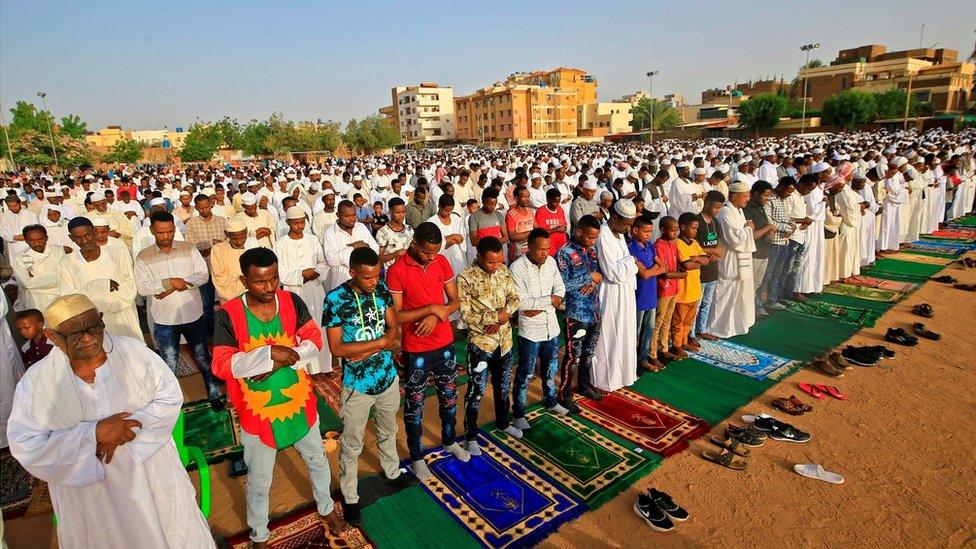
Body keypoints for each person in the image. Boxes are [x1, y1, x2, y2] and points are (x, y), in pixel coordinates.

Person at [7, 294, 215, 549]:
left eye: (93, 327)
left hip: (152, 479)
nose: (88, 337)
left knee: (171, 534)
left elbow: (170, 397)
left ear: (102, 320)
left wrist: (128, 430)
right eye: (75, 333)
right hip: (90, 499)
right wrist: (93, 434)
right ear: (52, 336)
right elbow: (26, 444)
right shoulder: (37, 384)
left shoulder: (136, 355)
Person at [212, 248, 349, 546]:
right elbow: (221, 364)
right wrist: (268, 352)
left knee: (317, 460)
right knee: (260, 480)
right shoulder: (229, 314)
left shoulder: (291, 301)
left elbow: (313, 339)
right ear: (244, 280)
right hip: (257, 413)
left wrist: (279, 359)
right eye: (260, 281)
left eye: (274, 278)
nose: (269, 287)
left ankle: (327, 509)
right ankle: (259, 534)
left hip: (299, 402)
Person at [323, 247, 415, 525]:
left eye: (377, 275)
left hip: (387, 378)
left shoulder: (382, 290)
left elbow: (393, 328)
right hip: (357, 386)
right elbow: (338, 348)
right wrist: (379, 344)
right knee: (352, 444)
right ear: (352, 273)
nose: (374, 281)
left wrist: (367, 348)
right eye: (367, 277)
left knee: (389, 430)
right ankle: (350, 496)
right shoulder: (335, 300)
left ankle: (392, 471)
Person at [387, 222, 470, 479]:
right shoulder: (397, 270)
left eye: (435, 252)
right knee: (415, 404)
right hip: (416, 348)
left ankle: (449, 441)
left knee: (449, 397)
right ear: (414, 244)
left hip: (445, 343)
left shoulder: (442, 262)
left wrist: (439, 313)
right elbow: (398, 316)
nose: (431, 257)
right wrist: (431, 310)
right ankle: (417, 456)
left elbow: (454, 300)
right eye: (426, 252)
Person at [135, 211, 222, 406]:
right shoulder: (143, 257)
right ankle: (172, 403)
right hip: (165, 319)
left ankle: (214, 392)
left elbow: (202, 275)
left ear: (174, 229)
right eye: (160, 233)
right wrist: (169, 282)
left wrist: (177, 284)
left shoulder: (189, 249)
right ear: (152, 231)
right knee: (169, 364)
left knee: (202, 357)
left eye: (169, 231)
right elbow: (142, 287)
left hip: (193, 314)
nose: (166, 237)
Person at [457, 236, 523, 454]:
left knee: (503, 387)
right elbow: (465, 314)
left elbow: (515, 298)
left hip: (504, 341)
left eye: (498, 261)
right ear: (478, 257)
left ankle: (503, 422)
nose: (495, 266)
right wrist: (494, 318)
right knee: (476, 391)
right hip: (481, 344)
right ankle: (471, 435)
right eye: (490, 262)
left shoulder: (503, 271)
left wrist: (505, 315)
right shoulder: (465, 278)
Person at [511, 228, 567, 423]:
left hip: (551, 327)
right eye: (541, 249)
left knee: (550, 369)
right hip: (530, 331)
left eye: (548, 249)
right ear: (530, 247)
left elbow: (560, 289)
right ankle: (518, 412)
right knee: (525, 374)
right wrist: (550, 302)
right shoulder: (517, 268)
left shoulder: (551, 262)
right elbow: (521, 303)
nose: (545, 253)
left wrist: (545, 302)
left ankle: (550, 400)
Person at [58, 217, 142, 340]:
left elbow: (130, 287)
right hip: (92, 322)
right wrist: (101, 284)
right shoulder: (67, 262)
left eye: (87, 235)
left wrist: (100, 301)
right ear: (71, 238)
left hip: (122, 315)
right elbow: (69, 297)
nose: (84, 240)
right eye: (78, 238)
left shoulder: (117, 253)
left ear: (94, 232)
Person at [274, 206, 330, 376]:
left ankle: (324, 365)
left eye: (302, 222)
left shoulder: (312, 240)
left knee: (319, 325)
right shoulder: (281, 244)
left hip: (315, 288)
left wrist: (315, 272)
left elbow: (323, 262)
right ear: (287, 222)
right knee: (299, 327)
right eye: (295, 223)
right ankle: (304, 367)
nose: (300, 226)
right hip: (294, 290)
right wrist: (301, 275)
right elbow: (279, 271)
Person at [707, 181, 757, 338]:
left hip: (740, 260)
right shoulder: (726, 212)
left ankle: (735, 326)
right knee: (724, 295)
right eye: (745, 196)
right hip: (729, 259)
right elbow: (734, 238)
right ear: (734, 196)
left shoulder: (738, 210)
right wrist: (749, 228)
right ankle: (716, 328)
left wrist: (746, 228)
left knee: (738, 294)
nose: (747, 199)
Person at [184, 193, 227, 334]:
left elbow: (228, 242)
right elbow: (191, 247)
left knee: (225, 300)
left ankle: (227, 327)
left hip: (221, 267)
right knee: (207, 302)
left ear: (211, 204)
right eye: (201, 208)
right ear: (196, 208)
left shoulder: (222, 221)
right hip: (204, 269)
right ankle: (211, 330)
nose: (204, 210)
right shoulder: (192, 224)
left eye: (207, 207)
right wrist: (211, 247)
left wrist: (217, 246)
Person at [629, 216, 666, 372]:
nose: (649, 235)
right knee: (635, 332)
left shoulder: (650, 246)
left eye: (650, 232)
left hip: (651, 295)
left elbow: (663, 266)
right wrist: (652, 271)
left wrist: (649, 271)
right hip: (639, 297)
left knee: (649, 330)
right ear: (635, 230)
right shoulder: (630, 248)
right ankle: (630, 361)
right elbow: (642, 275)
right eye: (646, 232)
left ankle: (643, 359)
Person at [671, 213, 709, 356]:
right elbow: (686, 265)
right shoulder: (677, 243)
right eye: (693, 228)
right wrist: (696, 261)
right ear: (683, 227)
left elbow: (706, 260)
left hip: (694, 290)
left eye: (697, 228)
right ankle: (676, 345)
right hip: (682, 292)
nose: (695, 231)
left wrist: (696, 259)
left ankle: (685, 341)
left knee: (688, 320)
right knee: (678, 322)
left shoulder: (694, 243)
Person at [691, 191, 725, 343]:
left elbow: (718, 242)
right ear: (707, 203)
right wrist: (713, 251)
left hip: (713, 268)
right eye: (716, 207)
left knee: (707, 302)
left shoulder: (715, 222)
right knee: (696, 303)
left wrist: (716, 252)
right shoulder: (696, 221)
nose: (717, 211)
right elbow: (694, 246)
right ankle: (690, 334)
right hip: (700, 269)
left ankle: (702, 329)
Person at [651, 216, 686, 365]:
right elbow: (664, 272)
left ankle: (663, 348)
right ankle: (652, 353)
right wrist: (680, 274)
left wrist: (679, 273)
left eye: (677, 230)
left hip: (674, 287)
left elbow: (680, 267)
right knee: (658, 321)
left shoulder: (673, 245)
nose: (676, 233)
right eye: (673, 230)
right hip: (663, 288)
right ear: (663, 230)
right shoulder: (658, 246)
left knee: (667, 320)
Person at [10, 224, 65, 312]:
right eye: (32, 240)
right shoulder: (20, 258)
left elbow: (65, 277)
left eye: (40, 239)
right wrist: (55, 278)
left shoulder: (58, 252)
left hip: (60, 297)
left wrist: (38, 280)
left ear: (46, 238)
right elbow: (27, 284)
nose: (37, 244)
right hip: (35, 300)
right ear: (26, 241)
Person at [743, 181, 776, 310]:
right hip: (754, 254)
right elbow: (752, 235)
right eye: (766, 195)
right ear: (756, 194)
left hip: (764, 253)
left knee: (756, 285)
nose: (767, 198)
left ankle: (751, 312)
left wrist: (771, 230)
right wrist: (769, 227)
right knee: (748, 286)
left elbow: (767, 226)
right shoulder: (747, 210)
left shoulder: (761, 208)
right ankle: (745, 313)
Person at [210, 218, 252, 303]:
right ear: (227, 234)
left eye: (243, 237)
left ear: (246, 232)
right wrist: (242, 282)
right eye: (235, 239)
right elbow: (219, 277)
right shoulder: (218, 249)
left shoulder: (253, 245)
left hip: (253, 297)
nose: (239, 242)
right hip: (230, 299)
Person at [376, 197, 413, 270]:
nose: (401, 215)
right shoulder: (383, 232)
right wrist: (396, 254)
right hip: (391, 272)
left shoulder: (409, 229)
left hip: (408, 270)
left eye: (403, 212)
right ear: (390, 211)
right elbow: (378, 259)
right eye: (398, 213)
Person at [535, 188, 569, 256]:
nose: (557, 204)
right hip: (549, 249)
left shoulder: (560, 209)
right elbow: (541, 232)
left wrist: (564, 228)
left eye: (558, 202)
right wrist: (557, 229)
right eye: (555, 202)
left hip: (561, 248)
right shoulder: (541, 211)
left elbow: (564, 224)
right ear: (548, 200)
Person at [505, 186, 536, 263]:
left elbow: (537, 228)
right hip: (518, 254)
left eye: (528, 196)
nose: (527, 199)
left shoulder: (529, 211)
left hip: (531, 251)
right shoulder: (511, 214)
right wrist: (531, 233)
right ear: (517, 198)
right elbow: (513, 236)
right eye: (524, 197)